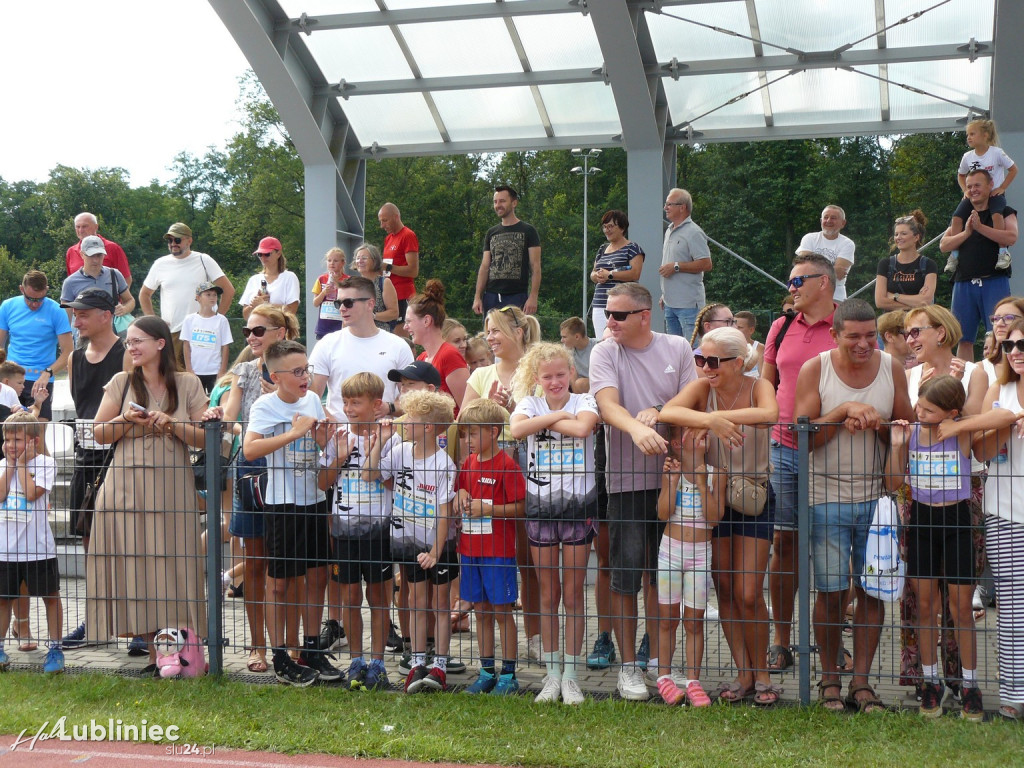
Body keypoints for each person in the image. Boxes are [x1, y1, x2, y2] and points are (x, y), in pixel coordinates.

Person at [794, 298, 912, 713]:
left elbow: (905, 429)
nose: (864, 345)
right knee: (830, 591)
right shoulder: (816, 369)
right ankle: (829, 679)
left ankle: (860, 683)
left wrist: (879, 426)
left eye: (870, 336)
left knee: (872, 591)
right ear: (835, 335)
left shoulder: (891, 368)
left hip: (877, 500)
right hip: (824, 497)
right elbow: (802, 437)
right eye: (854, 337)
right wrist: (842, 410)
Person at [588, 281, 698, 700]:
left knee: (664, 576)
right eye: (608, 314)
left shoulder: (677, 347)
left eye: (618, 315)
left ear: (644, 315)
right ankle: (629, 667)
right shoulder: (604, 351)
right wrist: (637, 427)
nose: (610, 322)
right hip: (626, 482)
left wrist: (662, 412)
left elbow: (693, 395)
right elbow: (607, 404)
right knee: (626, 576)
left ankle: (660, 663)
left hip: (676, 479)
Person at [660, 327, 780, 705]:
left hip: (751, 495)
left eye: (713, 361)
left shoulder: (758, 383)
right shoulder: (702, 389)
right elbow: (669, 410)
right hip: (712, 495)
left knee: (747, 591)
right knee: (725, 588)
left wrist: (719, 417)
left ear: (738, 361)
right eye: (700, 359)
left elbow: (770, 412)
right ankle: (743, 674)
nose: (705, 368)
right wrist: (710, 421)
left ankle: (763, 674)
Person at [86, 316, 209, 672]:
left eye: (138, 340)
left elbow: (206, 438)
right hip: (124, 489)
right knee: (136, 567)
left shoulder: (187, 383)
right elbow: (99, 434)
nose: (132, 347)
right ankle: (156, 656)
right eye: (128, 342)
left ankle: (179, 651)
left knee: (173, 565)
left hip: (172, 490)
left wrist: (173, 425)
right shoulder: (121, 382)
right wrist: (126, 420)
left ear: (160, 343)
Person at [209, 305, 301, 674]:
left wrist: (281, 396)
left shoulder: (298, 368)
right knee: (256, 563)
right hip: (251, 470)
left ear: (281, 331)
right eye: (248, 331)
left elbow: (309, 416)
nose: (251, 337)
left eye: (259, 330)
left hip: (292, 471)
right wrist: (222, 419)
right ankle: (257, 646)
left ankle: (293, 644)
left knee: (291, 566)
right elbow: (232, 418)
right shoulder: (244, 371)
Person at [884, 375, 982, 720]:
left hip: (956, 522)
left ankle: (970, 684)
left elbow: (999, 418)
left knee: (960, 609)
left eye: (927, 409)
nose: (918, 411)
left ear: (951, 412)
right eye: (919, 405)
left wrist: (959, 424)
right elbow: (893, 482)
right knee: (925, 605)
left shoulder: (962, 432)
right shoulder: (911, 432)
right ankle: (930, 681)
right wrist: (898, 446)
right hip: (921, 522)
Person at [243, 339, 339, 687]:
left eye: (307, 370)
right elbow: (251, 449)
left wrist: (323, 438)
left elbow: (317, 443)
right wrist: (294, 433)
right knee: (280, 583)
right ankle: (280, 653)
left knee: (317, 576)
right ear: (276, 376)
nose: (305, 377)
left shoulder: (313, 398)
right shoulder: (265, 406)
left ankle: (311, 649)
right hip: (282, 504)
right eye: (297, 371)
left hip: (314, 499)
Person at [510, 342, 600, 705]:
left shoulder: (585, 402)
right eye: (547, 376)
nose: (555, 381)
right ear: (537, 379)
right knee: (548, 594)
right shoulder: (528, 403)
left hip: (579, 507)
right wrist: (550, 419)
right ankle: (552, 673)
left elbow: (583, 430)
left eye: (561, 374)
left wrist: (544, 423)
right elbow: (517, 430)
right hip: (541, 509)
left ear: (571, 374)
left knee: (575, 593)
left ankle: (573, 675)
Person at [761, 254, 838, 673]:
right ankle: (781, 640)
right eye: (790, 282)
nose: (790, 288)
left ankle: (830, 640)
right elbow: (765, 381)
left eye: (797, 281)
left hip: (833, 450)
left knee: (833, 547)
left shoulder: (849, 325)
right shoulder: (781, 325)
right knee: (784, 544)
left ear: (823, 282)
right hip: (783, 448)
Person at [461, 305, 543, 660]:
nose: (490, 338)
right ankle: (494, 652)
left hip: (528, 461)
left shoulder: (538, 369)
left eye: (496, 330)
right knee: (495, 554)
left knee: (530, 557)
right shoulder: (481, 374)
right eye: (487, 331)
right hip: (487, 466)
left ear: (519, 331)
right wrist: (488, 407)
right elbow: (465, 420)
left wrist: (515, 408)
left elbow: (550, 414)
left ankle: (537, 637)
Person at [363, 390, 457, 693]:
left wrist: (436, 550)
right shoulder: (402, 450)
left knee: (439, 604)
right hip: (407, 543)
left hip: (437, 546)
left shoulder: (444, 464)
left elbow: (445, 513)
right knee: (416, 602)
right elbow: (369, 474)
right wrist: (379, 442)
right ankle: (417, 662)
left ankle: (439, 665)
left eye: (410, 418)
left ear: (427, 427)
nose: (403, 422)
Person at [57, 288, 129, 649]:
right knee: (91, 546)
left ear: (106, 314)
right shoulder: (74, 358)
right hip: (86, 462)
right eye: (74, 313)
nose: (76, 319)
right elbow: (83, 405)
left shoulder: (127, 354)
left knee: (130, 547)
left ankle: (138, 627)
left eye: (83, 313)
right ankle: (97, 622)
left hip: (122, 460)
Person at [317, 372, 396, 692]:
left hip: (379, 532)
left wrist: (378, 453)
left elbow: (394, 483)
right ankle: (356, 660)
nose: (349, 408)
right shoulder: (338, 436)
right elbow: (322, 483)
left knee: (378, 598)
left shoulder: (391, 436)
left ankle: (377, 662)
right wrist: (337, 457)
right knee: (349, 597)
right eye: (345, 401)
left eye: (356, 402)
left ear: (376, 404)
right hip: (345, 532)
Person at [968, 318, 1024, 720]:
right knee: (1012, 610)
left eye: (1023, 344)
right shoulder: (999, 389)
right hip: (1005, 510)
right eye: (1010, 346)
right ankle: (1013, 693)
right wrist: (1001, 426)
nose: (1016, 351)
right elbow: (981, 451)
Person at [456, 398, 526, 696]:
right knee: (481, 612)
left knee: (501, 613)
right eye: (466, 434)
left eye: (473, 433)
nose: (468, 440)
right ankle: (486, 671)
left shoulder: (506, 464)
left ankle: (509, 675)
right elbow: (461, 486)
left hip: (498, 552)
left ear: (494, 432)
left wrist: (489, 509)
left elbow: (520, 507)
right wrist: (460, 492)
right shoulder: (469, 463)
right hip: (470, 551)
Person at [651, 431, 724, 707]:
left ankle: (693, 681)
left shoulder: (718, 473)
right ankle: (664, 677)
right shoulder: (673, 469)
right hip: (671, 552)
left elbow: (715, 518)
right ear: (678, 443)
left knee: (695, 621)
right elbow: (662, 512)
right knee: (668, 619)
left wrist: (704, 485)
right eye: (692, 430)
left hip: (700, 555)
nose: (702, 431)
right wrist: (670, 484)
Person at [0, 412, 63, 673]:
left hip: (38, 549)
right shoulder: (3, 465)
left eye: (17, 439)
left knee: (50, 596)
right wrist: (12, 466)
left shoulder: (46, 464)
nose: (11, 445)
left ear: (34, 441)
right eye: (7, 439)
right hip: (6, 550)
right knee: (3, 599)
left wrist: (23, 466)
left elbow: (31, 494)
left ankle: (56, 649)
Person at [940, 169, 1018, 361]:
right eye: (969, 186)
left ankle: (1002, 380)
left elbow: (1011, 237)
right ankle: (964, 382)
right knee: (962, 338)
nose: (973, 190)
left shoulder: (1004, 212)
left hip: (994, 281)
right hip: (964, 283)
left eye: (977, 185)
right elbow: (944, 245)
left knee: (1001, 334)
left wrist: (981, 228)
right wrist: (967, 233)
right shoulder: (963, 214)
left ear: (990, 185)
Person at [311, 277, 414, 422]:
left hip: (386, 438)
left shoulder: (398, 346)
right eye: (338, 303)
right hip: (340, 437)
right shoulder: (327, 344)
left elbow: (414, 401)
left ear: (370, 304)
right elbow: (311, 396)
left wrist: (389, 408)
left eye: (348, 303)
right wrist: (335, 427)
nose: (342, 308)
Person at [139, 223, 235, 369]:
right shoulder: (160, 264)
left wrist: (216, 318)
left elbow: (228, 290)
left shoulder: (203, 260)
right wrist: (154, 322)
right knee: (174, 377)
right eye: (169, 240)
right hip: (174, 332)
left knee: (203, 376)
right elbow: (144, 294)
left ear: (189, 241)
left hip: (202, 331)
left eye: (177, 240)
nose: (173, 244)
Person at [945, 118, 1017, 275]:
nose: (968, 137)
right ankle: (954, 255)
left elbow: (1013, 169)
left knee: (997, 214)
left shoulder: (996, 153)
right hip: (974, 197)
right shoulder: (967, 156)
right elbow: (961, 175)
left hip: (994, 195)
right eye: (967, 135)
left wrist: (1002, 187)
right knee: (957, 217)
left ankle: (1003, 252)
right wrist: (966, 190)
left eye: (972, 134)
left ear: (985, 135)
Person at [0, 270, 73, 422]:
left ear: (46, 290)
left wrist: (48, 373)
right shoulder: (8, 306)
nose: (34, 304)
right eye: (30, 298)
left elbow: (68, 352)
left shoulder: (56, 310)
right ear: (22, 289)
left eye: (40, 299)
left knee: (37, 434)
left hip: (41, 379)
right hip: (11, 378)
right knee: (10, 432)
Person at [472, 186, 541, 316]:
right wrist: (477, 297)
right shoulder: (491, 233)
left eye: (502, 201)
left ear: (514, 203)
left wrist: (533, 297)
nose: (498, 205)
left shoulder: (528, 231)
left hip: (517, 296)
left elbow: (535, 267)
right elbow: (485, 266)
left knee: (516, 335)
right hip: (491, 296)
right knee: (491, 335)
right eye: (495, 201)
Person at [404, 280, 469, 409]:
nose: (405, 327)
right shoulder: (421, 358)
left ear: (427, 321)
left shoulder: (449, 355)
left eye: (409, 321)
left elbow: (467, 408)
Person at [60, 235, 134, 340]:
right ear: (82, 255)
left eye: (99, 255)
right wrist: (66, 339)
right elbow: (65, 317)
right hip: (85, 335)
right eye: (91, 255)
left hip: (112, 333)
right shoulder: (70, 282)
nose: (95, 260)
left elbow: (130, 300)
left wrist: (124, 309)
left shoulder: (114, 274)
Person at [659, 188, 711, 337]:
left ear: (682, 207)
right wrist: (664, 294)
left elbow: (706, 264)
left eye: (670, 204)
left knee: (692, 350)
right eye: (665, 204)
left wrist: (676, 266)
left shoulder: (694, 232)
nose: (665, 207)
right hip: (669, 303)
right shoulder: (669, 230)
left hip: (689, 306)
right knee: (674, 351)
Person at [590, 210, 645, 337]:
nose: (607, 230)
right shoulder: (602, 249)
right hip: (599, 304)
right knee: (602, 342)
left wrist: (610, 275)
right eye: (604, 227)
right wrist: (596, 276)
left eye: (610, 226)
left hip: (622, 305)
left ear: (622, 228)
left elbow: (635, 273)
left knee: (621, 341)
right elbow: (593, 273)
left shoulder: (632, 248)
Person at [874, 211, 938, 312]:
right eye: (896, 234)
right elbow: (880, 302)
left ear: (916, 237)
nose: (898, 238)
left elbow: (926, 301)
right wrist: (915, 303)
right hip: (891, 323)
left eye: (903, 234)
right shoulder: (885, 264)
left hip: (918, 323)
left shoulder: (928, 265)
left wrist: (894, 296)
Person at [180, 282, 233, 393]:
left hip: (214, 370)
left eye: (214, 295)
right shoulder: (189, 320)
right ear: (198, 297)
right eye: (208, 295)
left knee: (214, 402)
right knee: (196, 402)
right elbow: (186, 345)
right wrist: (189, 369)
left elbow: (225, 346)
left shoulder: (221, 320)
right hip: (195, 371)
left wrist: (222, 370)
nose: (212, 298)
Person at [796, 205, 855, 301]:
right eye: (826, 217)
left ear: (843, 223)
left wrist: (812, 270)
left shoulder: (847, 244)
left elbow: (839, 274)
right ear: (821, 221)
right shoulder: (809, 238)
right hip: (807, 295)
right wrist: (831, 270)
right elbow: (803, 269)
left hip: (835, 297)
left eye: (833, 218)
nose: (828, 221)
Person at [240, 237, 301, 320]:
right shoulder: (253, 280)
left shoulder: (289, 277)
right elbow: (246, 316)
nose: (263, 257)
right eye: (260, 254)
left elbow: (291, 310)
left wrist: (266, 306)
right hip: (258, 330)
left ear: (278, 254)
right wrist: (252, 306)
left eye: (267, 254)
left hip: (279, 329)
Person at [378, 203, 420, 323]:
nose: (382, 225)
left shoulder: (408, 235)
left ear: (396, 217)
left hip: (403, 295)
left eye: (385, 221)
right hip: (389, 296)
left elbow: (413, 271)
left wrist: (388, 267)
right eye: (381, 221)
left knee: (401, 337)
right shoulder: (388, 238)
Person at [65, 212, 131, 286]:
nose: (80, 230)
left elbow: (126, 279)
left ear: (96, 227)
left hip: (108, 296)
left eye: (85, 226)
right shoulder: (71, 252)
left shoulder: (112, 248)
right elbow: (71, 282)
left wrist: (117, 296)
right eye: (78, 227)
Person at [352, 243, 399, 332]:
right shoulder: (353, 284)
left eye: (364, 258)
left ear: (374, 261)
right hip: (357, 334)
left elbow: (394, 313)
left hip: (379, 335)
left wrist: (372, 315)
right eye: (357, 258)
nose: (360, 261)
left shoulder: (384, 283)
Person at [311, 247, 349, 339]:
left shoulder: (348, 279)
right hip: (324, 325)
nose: (332, 263)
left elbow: (349, 301)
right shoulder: (321, 279)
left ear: (343, 263)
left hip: (340, 323)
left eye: (336, 261)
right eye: (329, 260)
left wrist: (337, 283)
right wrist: (324, 292)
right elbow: (315, 303)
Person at [559, 317, 596, 393]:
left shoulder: (597, 346)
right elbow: (572, 377)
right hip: (576, 386)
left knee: (580, 383)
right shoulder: (567, 350)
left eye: (564, 337)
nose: (561, 340)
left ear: (577, 337)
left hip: (597, 382)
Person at [734, 311, 764, 376]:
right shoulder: (727, 347)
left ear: (751, 330)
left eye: (739, 327)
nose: (735, 330)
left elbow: (763, 376)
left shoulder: (759, 348)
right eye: (734, 327)